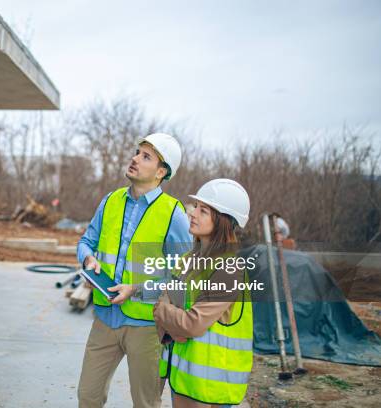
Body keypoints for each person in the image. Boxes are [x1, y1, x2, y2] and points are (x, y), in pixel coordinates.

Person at [77, 133, 192, 408]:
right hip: (105, 318)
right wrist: (88, 261)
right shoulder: (111, 201)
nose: (135, 159)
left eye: (146, 156)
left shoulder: (173, 213)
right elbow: (86, 241)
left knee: (146, 402)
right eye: (137, 152)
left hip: (146, 326)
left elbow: (183, 276)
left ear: (161, 172)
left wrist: (136, 290)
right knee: (87, 397)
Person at [154, 178, 253, 408]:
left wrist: (165, 313)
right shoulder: (188, 260)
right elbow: (166, 303)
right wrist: (173, 326)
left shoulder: (228, 269)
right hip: (182, 381)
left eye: (204, 210)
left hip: (210, 391)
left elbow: (192, 323)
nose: (193, 214)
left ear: (223, 222)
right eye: (196, 207)